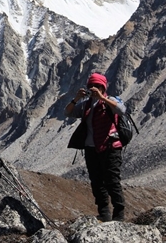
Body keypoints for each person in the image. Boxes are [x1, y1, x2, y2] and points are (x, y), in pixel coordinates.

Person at [65, 72, 126, 222]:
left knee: (112, 181)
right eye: (91, 86)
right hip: (91, 148)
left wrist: (102, 98)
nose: (93, 89)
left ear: (103, 87)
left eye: (97, 86)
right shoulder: (86, 104)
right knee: (97, 182)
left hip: (110, 147)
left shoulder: (110, 100)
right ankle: (104, 213)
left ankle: (119, 214)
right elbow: (67, 112)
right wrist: (76, 99)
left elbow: (122, 110)